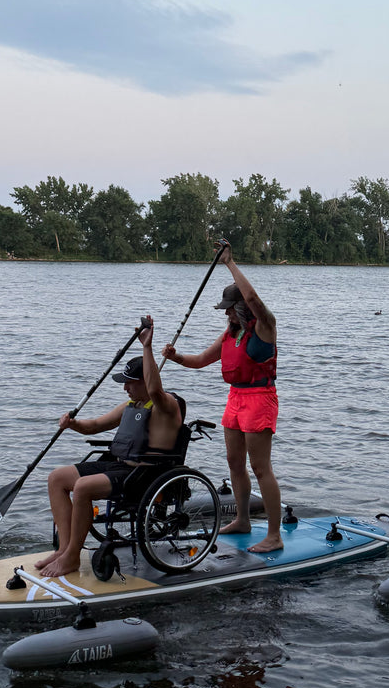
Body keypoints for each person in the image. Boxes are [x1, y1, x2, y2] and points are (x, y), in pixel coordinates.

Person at [35, 318, 182, 578]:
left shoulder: (165, 405)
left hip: (145, 475)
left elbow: (155, 389)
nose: (124, 387)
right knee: (57, 478)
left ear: (144, 381)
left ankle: (70, 558)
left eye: (129, 382)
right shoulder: (131, 405)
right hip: (119, 467)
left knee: (82, 487)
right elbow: (93, 425)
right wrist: (72, 424)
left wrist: (147, 347)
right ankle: (66, 549)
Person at [162, 243, 283, 553]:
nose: (227, 312)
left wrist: (229, 262)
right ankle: (242, 520)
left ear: (242, 307)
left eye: (230, 307)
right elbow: (201, 360)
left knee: (260, 468)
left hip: (259, 399)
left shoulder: (265, 326)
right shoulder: (231, 332)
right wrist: (175, 358)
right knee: (234, 463)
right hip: (236, 399)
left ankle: (274, 534)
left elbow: (254, 298)